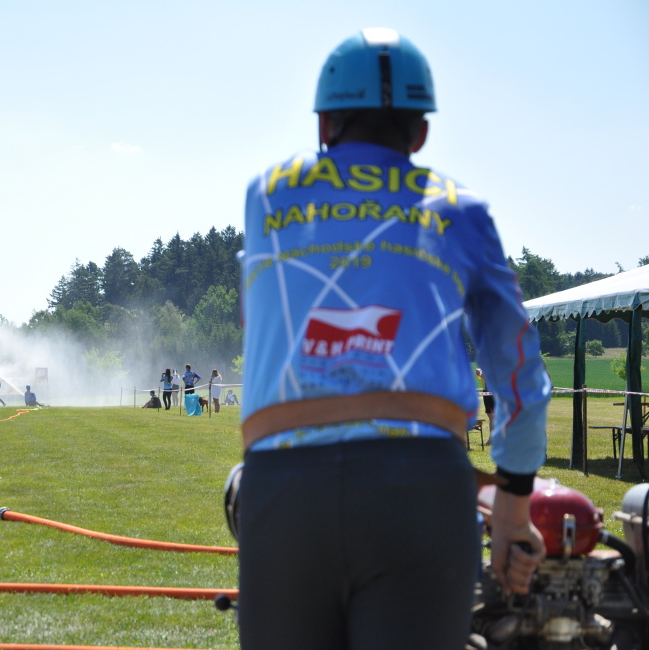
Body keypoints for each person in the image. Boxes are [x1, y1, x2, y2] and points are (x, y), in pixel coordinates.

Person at [235, 28, 550, 649]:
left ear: (324, 123)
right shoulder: (461, 208)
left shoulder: (267, 194)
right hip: (420, 492)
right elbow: (517, 363)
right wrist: (514, 498)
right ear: (421, 132)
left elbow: (258, 313)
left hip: (284, 491)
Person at [476, 367, 496, 444]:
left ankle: (493, 438)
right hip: (488, 394)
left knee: (494, 417)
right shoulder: (486, 365)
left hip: (495, 392)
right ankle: (492, 438)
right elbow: (478, 372)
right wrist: (480, 373)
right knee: (491, 417)